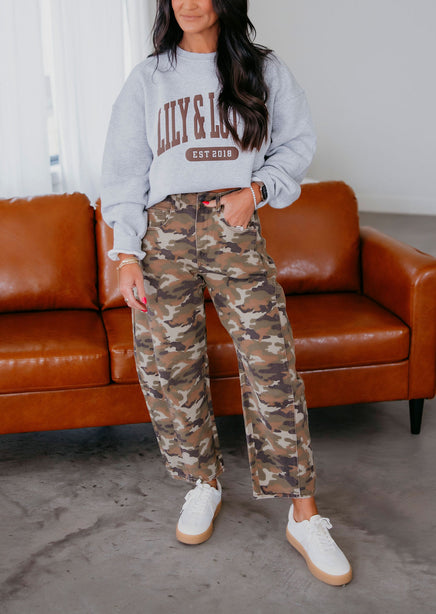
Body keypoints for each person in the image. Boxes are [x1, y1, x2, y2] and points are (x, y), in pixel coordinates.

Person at [101, 0, 352, 586]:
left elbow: (297, 143)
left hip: (232, 224)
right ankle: (203, 482)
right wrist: (127, 254)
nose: (187, 2)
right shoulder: (149, 77)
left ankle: (304, 513)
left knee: (272, 364)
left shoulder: (263, 69)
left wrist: (255, 192)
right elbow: (123, 169)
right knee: (170, 366)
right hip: (161, 232)